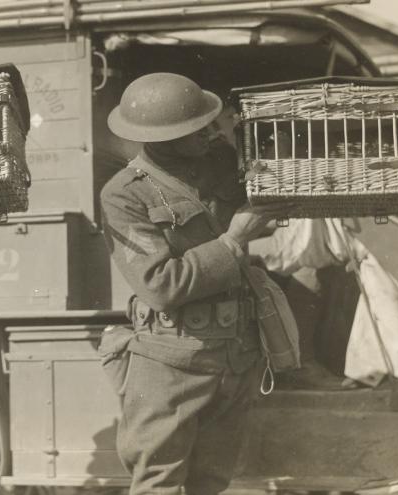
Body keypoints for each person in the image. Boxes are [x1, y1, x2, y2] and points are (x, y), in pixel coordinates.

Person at [98, 72, 292, 494]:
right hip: (172, 365)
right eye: (196, 127)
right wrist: (235, 239)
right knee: (160, 483)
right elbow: (159, 284)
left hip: (236, 356)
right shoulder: (124, 195)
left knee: (213, 483)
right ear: (163, 138)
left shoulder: (221, 166)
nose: (209, 131)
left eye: (209, 122)